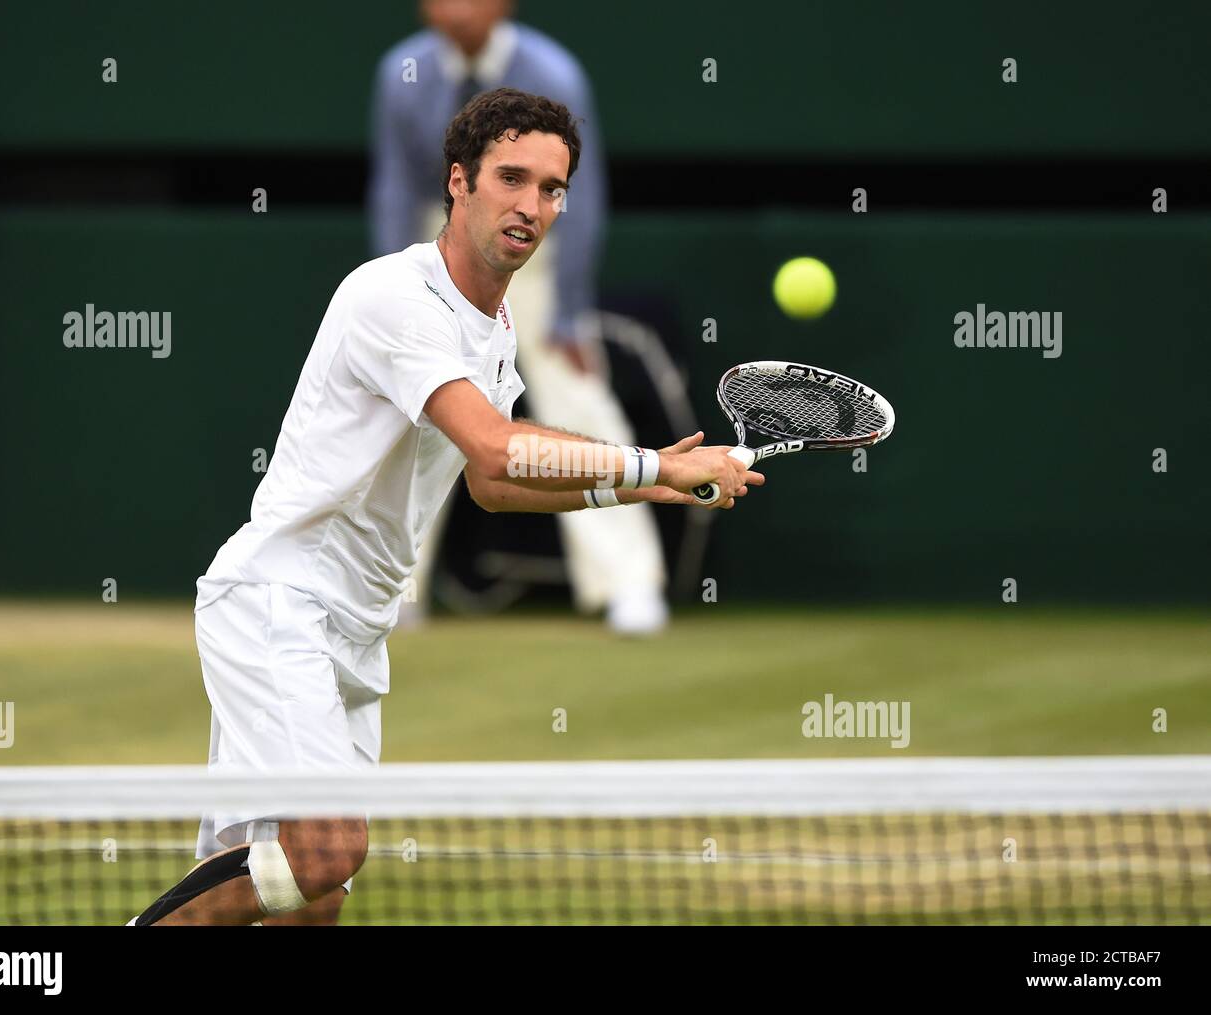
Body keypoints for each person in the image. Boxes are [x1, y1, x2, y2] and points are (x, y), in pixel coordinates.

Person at [129, 88, 761, 926]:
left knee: (311, 899)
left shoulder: (494, 329)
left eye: (552, 188)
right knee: (325, 852)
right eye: (511, 178)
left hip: (354, 628)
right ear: (457, 182)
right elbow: (497, 447)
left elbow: (491, 485)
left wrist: (650, 482)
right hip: (280, 603)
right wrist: (647, 460)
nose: (531, 206)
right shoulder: (391, 296)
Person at [370, 0, 671, 634]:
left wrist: (568, 310)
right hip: (441, 238)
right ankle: (391, 587)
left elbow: (579, 199)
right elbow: (396, 186)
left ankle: (629, 582)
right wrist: (395, 284)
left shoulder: (554, 72)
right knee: (414, 411)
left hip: (535, 247)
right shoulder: (400, 70)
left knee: (575, 401)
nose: (454, 9)